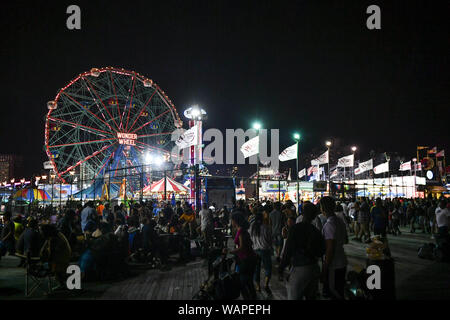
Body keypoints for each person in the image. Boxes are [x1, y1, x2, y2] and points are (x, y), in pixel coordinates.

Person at [280, 202, 325, 300]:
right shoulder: (315, 231)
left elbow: (288, 249)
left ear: (302, 213)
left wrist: (282, 266)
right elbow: (321, 251)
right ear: (314, 216)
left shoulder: (295, 228)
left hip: (299, 268)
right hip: (313, 267)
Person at [320, 197, 348, 300]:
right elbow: (346, 240)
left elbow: (330, 249)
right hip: (342, 261)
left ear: (322, 208)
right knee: (339, 291)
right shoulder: (340, 221)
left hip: (333, 265)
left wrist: (324, 268)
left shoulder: (329, 225)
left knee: (334, 293)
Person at [224, 213, 257, 300]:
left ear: (235, 221)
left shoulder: (241, 231)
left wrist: (230, 251)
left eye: (232, 220)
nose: (231, 222)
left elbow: (242, 247)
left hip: (246, 259)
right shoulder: (241, 230)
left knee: (241, 283)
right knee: (249, 282)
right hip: (248, 258)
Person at [40, 224, 72, 290]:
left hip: (60, 260)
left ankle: (63, 283)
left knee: (48, 265)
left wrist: (44, 260)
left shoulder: (54, 239)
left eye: (41, 231)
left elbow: (51, 253)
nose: (40, 233)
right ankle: (63, 283)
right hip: (62, 258)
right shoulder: (56, 234)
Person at [249, 212, 272, 295]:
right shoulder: (266, 228)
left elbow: (249, 239)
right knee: (268, 268)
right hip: (265, 250)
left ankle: (258, 286)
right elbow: (270, 240)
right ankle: (266, 285)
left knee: (256, 269)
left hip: (255, 251)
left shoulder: (251, 228)